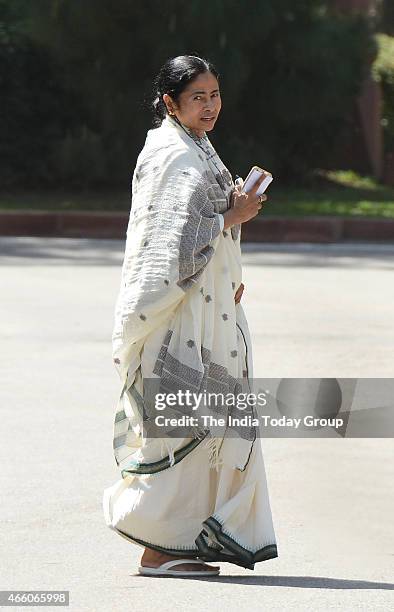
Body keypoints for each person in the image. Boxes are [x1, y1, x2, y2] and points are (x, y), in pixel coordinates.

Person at [103, 54, 278, 577]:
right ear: (170, 103)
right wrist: (234, 215)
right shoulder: (172, 155)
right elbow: (172, 248)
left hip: (204, 307)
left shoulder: (195, 146)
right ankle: (159, 547)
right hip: (177, 315)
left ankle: (184, 542)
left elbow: (201, 227)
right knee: (186, 424)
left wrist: (228, 262)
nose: (210, 105)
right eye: (198, 97)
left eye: (215, 95)